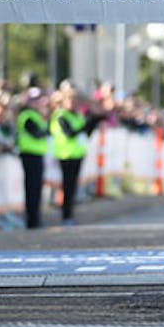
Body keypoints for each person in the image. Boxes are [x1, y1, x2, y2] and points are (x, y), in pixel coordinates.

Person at [50, 84, 97, 226]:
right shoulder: (60, 115)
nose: (74, 104)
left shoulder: (77, 115)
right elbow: (70, 133)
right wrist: (84, 126)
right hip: (65, 156)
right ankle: (65, 216)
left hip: (77, 155)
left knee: (72, 188)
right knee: (66, 187)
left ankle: (69, 215)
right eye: (71, 101)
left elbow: (86, 132)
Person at [16, 88, 52, 229]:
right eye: (35, 100)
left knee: (37, 188)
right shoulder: (26, 115)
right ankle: (32, 220)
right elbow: (37, 133)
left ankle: (36, 219)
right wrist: (44, 131)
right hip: (29, 155)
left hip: (38, 154)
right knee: (31, 189)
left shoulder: (38, 115)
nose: (38, 103)